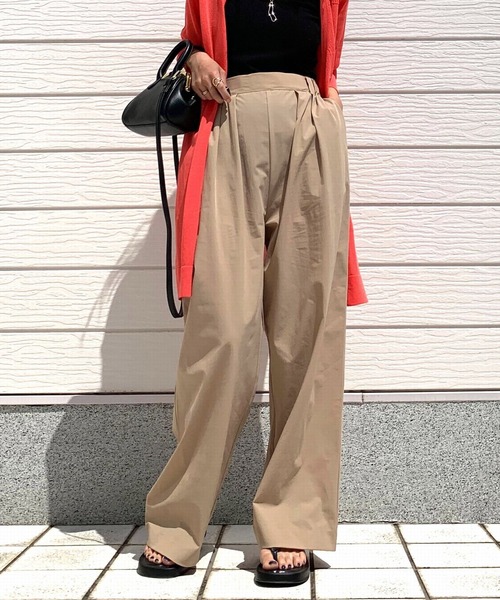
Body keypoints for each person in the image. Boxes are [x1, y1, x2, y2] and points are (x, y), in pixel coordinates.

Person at [137, 0, 367, 588]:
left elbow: (327, 55)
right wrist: (196, 59)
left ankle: (292, 522)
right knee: (221, 331)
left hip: (310, 124)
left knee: (307, 333)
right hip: (225, 125)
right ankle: (177, 522)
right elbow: (194, 40)